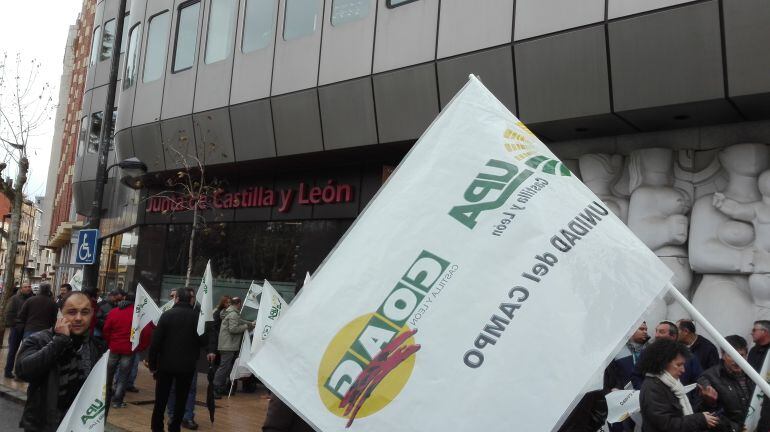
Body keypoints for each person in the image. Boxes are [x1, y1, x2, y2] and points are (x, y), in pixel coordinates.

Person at [14, 291, 106, 432]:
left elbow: (103, 390)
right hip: (43, 425)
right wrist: (60, 341)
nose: (78, 318)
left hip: (79, 424)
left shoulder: (95, 347)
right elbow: (23, 371)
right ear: (60, 313)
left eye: (85, 312)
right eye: (72, 312)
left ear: (92, 314)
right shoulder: (39, 340)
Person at [148, 287, 209, 432]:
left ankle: (157, 427)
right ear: (191, 300)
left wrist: (152, 364)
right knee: (181, 400)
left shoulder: (167, 315)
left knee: (161, 400)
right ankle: (174, 427)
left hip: (165, 365)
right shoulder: (197, 318)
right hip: (186, 367)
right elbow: (204, 340)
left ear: (176, 299)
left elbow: (155, 342)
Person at [638, 338, 720, 432]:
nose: (683, 370)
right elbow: (666, 425)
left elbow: (686, 413)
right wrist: (700, 419)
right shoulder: (653, 387)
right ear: (662, 363)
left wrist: (707, 401)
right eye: (678, 365)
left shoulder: (671, 383)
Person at [103, 293, 151, 409]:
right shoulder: (137, 315)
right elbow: (146, 333)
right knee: (123, 376)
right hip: (129, 349)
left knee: (108, 374)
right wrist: (140, 347)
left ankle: (105, 398)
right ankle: (117, 401)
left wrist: (110, 342)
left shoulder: (114, 311)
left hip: (114, 346)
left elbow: (106, 329)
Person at [698, 335, 754, 432]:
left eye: (741, 355)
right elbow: (705, 415)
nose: (737, 361)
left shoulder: (753, 374)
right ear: (722, 355)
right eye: (732, 355)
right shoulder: (709, 378)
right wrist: (735, 428)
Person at [634, 321, 703, 389]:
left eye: (661, 332)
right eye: (656, 331)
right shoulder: (646, 353)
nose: (656, 335)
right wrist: (644, 391)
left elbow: (698, 380)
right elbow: (636, 375)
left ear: (673, 336)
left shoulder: (687, 356)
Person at [213, 296, 254, 398]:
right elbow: (233, 329)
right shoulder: (233, 314)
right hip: (228, 345)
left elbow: (240, 321)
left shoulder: (229, 312)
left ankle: (220, 388)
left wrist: (250, 324)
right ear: (238, 304)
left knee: (226, 368)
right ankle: (215, 389)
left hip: (226, 344)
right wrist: (246, 327)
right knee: (224, 368)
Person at [4, 283, 33, 378]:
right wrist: (15, 325)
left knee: (25, 352)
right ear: (21, 289)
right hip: (17, 329)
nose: (28, 288)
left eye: (29, 286)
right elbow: (8, 313)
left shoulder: (32, 298)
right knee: (13, 350)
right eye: (26, 287)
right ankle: (8, 371)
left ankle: (19, 372)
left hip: (27, 328)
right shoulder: (14, 299)